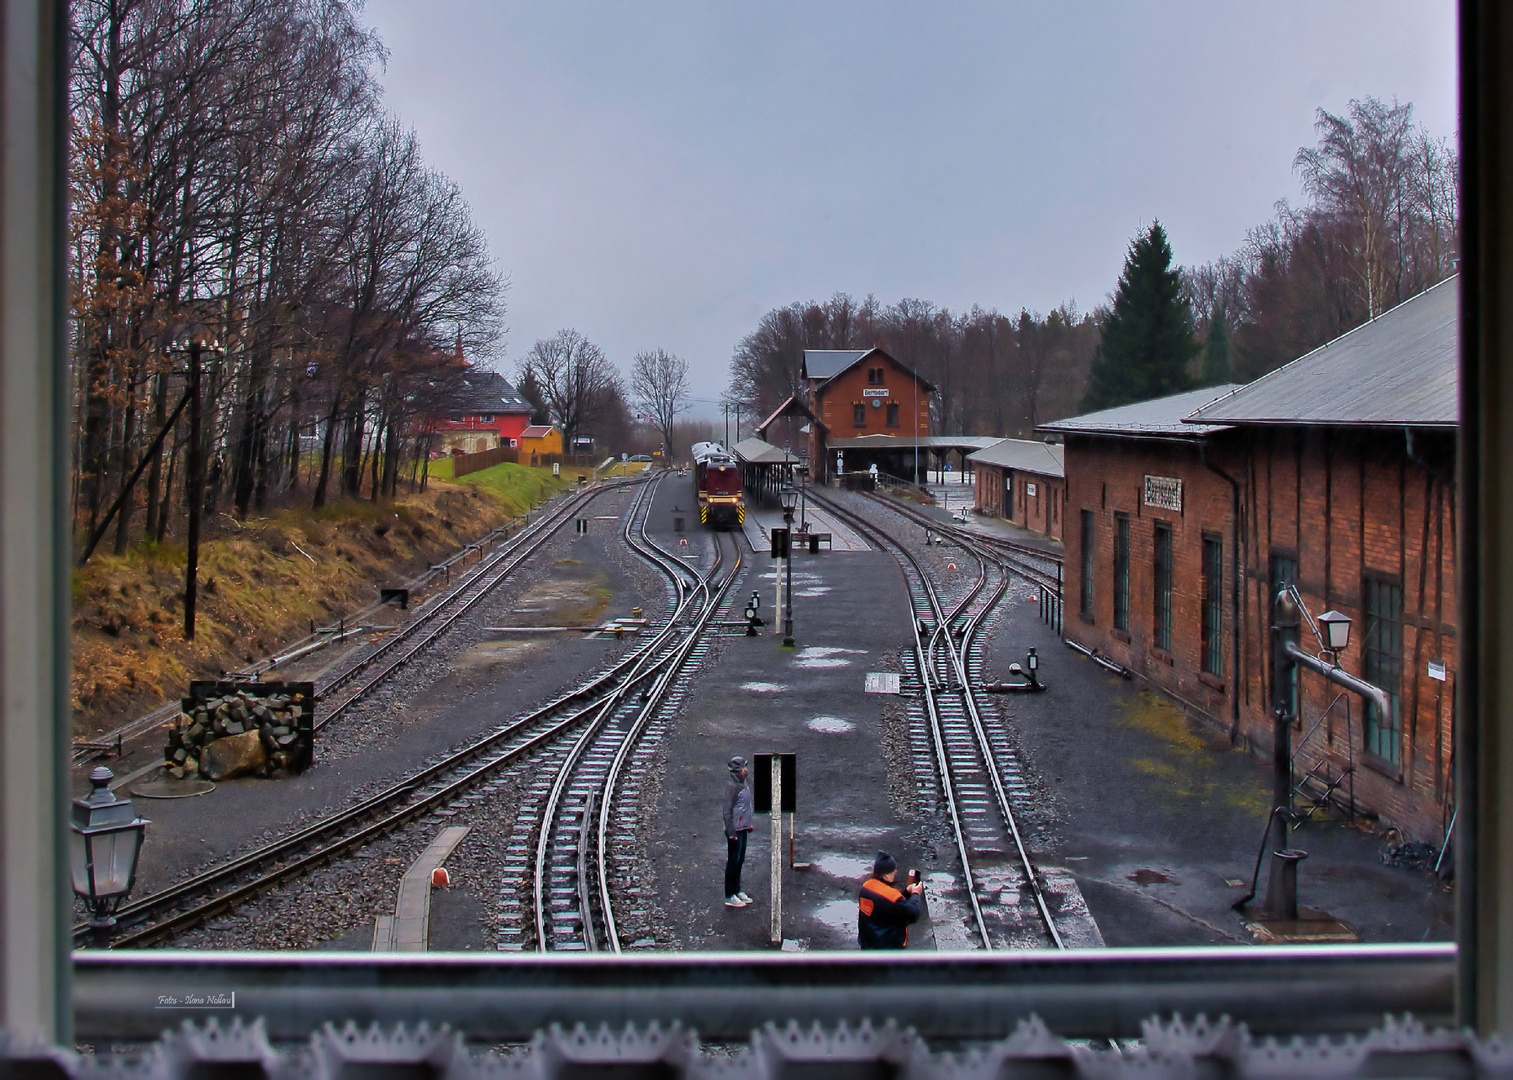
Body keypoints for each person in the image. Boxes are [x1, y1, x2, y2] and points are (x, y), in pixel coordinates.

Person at [858, 850, 923, 948]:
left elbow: (884, 901)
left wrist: (906, 892)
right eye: (893, 872)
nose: (894, 875)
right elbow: (912, 913)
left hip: (868, 945)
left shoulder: (866, 888)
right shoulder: (892, 899)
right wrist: (916, 894)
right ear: (886, 875)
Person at [722, 756, 755, 908]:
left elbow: (744, 807)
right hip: (735, 830)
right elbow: (727, 812)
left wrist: (748, 824)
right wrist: (731, 833)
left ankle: (737, 890)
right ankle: (729, 895)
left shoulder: (742, 784)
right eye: (743, 768)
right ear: (737, 771)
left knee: (740, 860)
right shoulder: (732, 787)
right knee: (733, 862)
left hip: (743, 829)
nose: (746, 770)